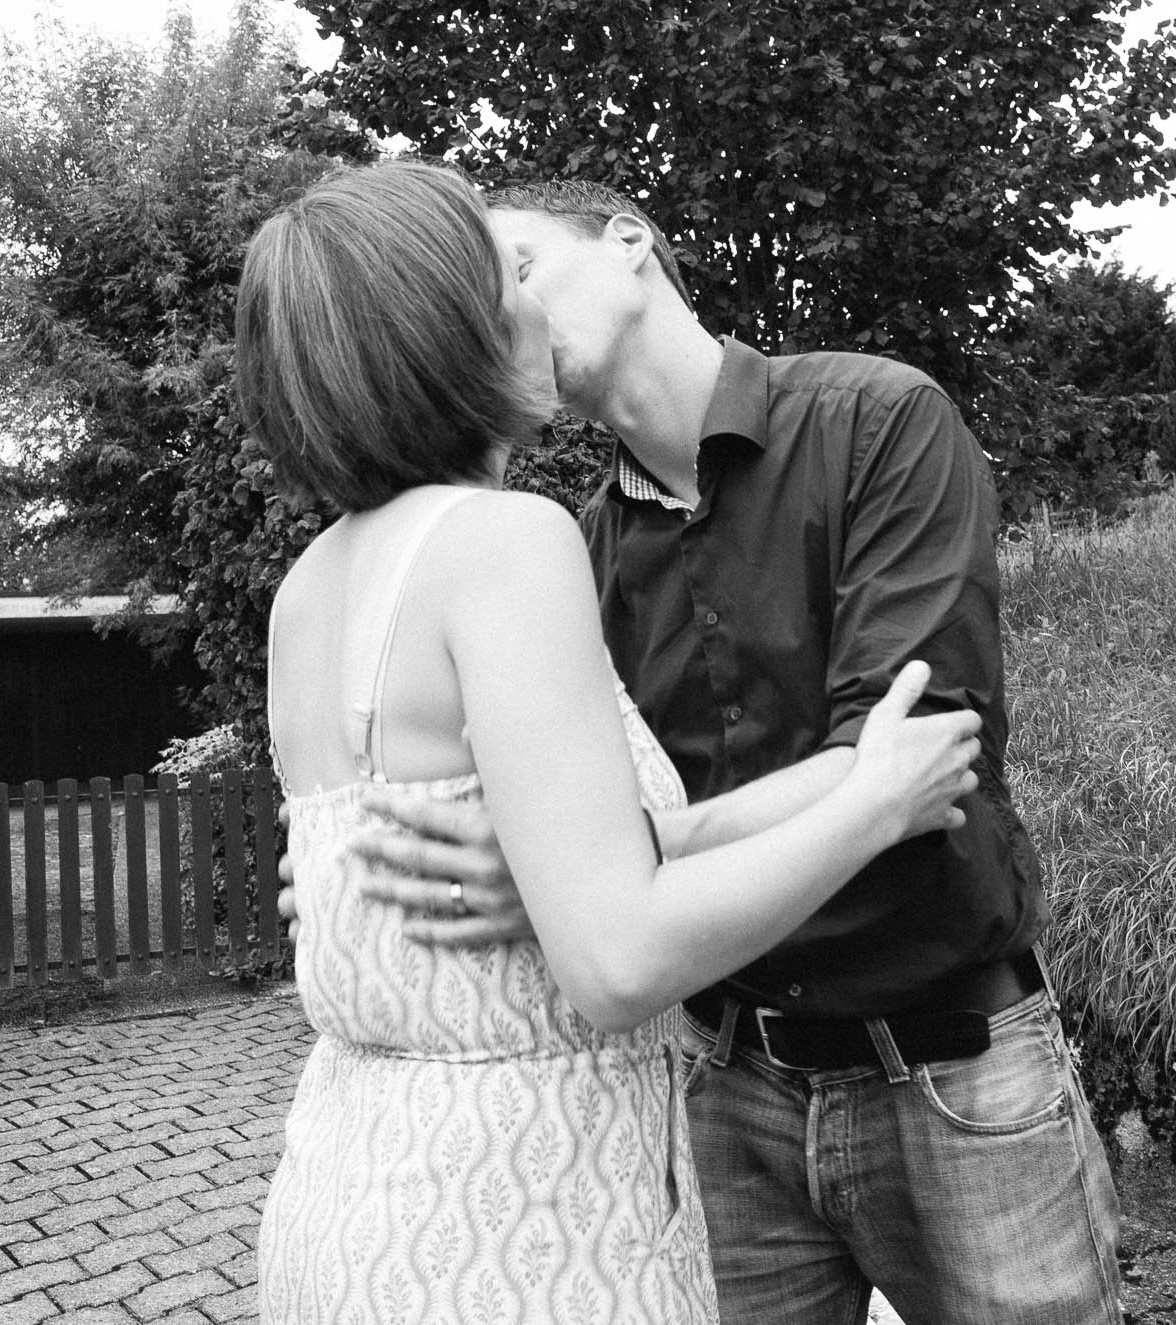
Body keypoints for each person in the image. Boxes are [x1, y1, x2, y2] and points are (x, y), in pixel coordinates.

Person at [319, 177, 1126, 1324]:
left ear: (629, 242)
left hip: (955, 1066)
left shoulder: (877, 419)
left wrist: (625, 852)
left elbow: (916, 756)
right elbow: (524, 821)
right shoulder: (566, 554)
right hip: (721, 1081)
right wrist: (355, 867)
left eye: (519, 266)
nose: (509, 312)